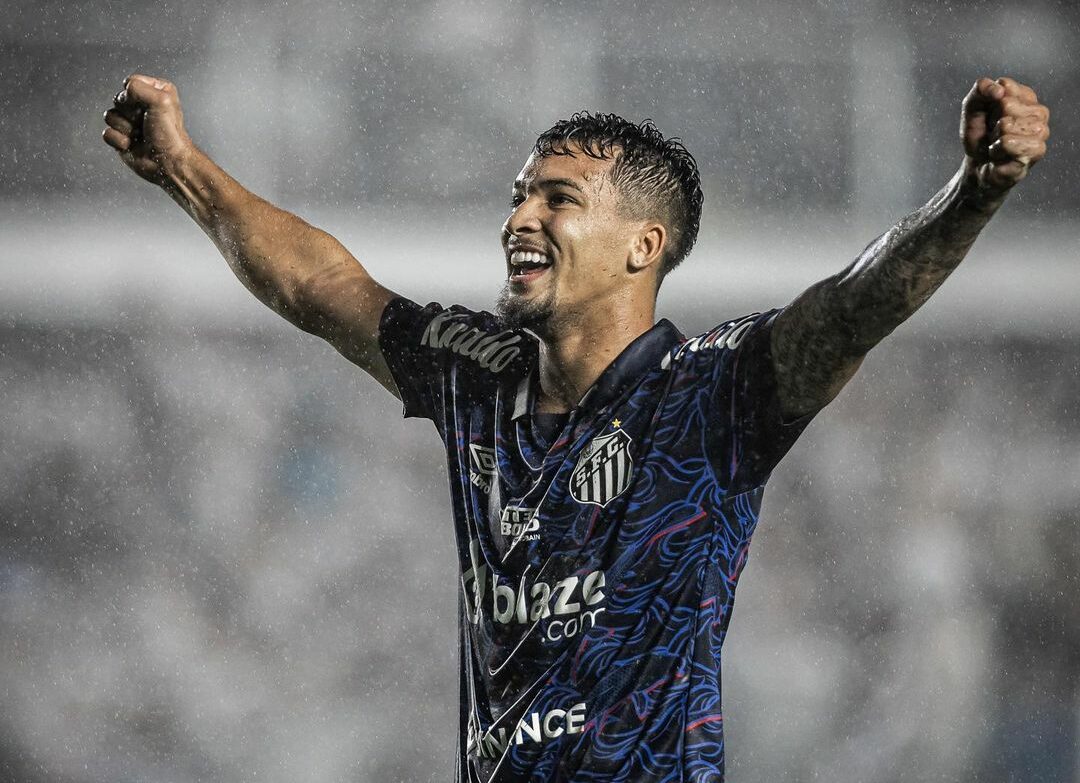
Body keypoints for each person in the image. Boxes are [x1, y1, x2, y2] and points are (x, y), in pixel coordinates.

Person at [103, 74, 1049, 782]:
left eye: (559, 198)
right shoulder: (476, 374)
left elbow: (852, 307)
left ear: (644, 246)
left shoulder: (708, 393)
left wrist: (973, 191)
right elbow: (321, 286)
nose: (520, 216)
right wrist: (181, 166)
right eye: (520, 193)